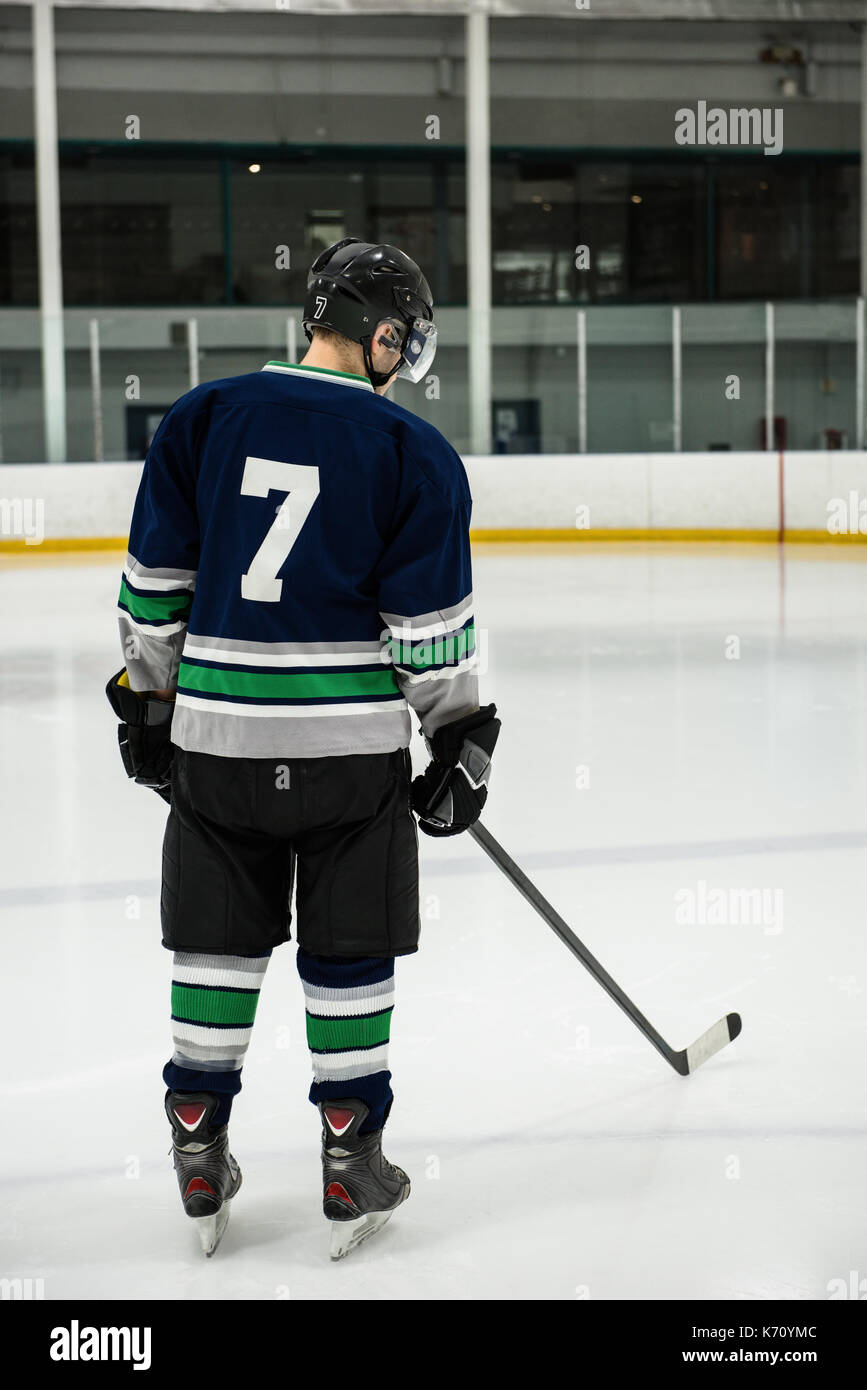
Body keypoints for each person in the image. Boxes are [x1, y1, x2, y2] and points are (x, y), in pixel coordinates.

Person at [105, 238, 500, 1261]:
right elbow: (429, 638)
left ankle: (198, 1133)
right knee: (349, 940)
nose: (402, 359)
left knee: (219, 937)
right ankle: (349, 1148)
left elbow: (153, 591)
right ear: (378, 335)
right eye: (402, 340)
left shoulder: (201, 418)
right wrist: (458, 733)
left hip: (218, 746)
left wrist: (149, 706)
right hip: (347, 757)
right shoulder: (414, 456)